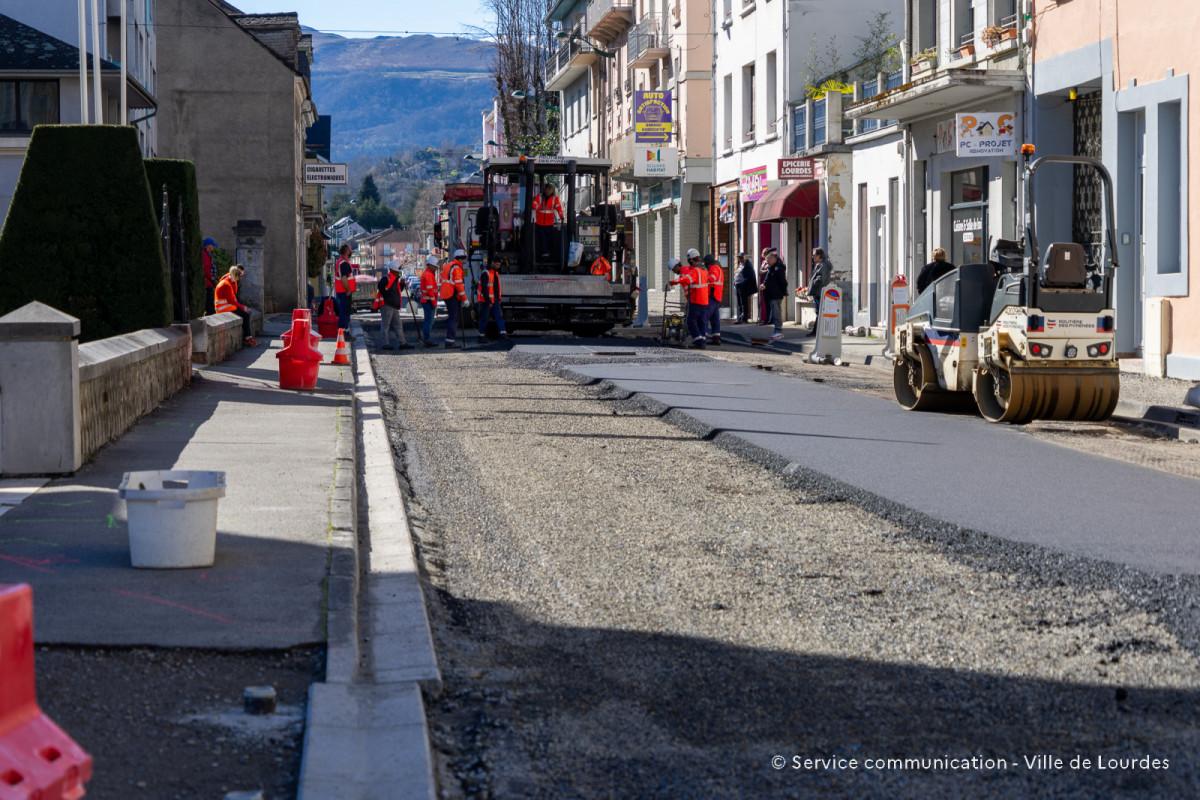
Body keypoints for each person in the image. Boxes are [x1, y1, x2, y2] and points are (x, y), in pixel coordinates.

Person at [668, 247, 709, 348]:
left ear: (691, 260)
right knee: (701, 321)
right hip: (704, 300)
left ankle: (699, 340)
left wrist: (675, 281)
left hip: (696, 299)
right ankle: (702, 340)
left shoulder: (695, 271)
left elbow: (688, 280)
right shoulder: (703, 270)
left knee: (690, 321)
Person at [214, 265, 258, 347]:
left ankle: (248, 336)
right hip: (224, 309)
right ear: (235, 276)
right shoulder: (226, 284)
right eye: (240, 277)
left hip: (228, 307)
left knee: (247, 314)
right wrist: (243, 307)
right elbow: (232, 301)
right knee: (246, 314)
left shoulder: (229, 282)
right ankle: (247, 337)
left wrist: (242, 307)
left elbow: (233, 300)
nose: (240, 279)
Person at [375, 260, 413, 350]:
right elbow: (380, 286)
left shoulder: (395, 280)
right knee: (385, 325)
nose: (399, 273)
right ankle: (385, 344)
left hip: (394, 307)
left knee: (398, 325)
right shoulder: (386, 279)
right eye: (398, 271)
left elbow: (398, 291)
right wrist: (387, 295)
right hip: (387, 306)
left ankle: (402, 343)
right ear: (393, 270)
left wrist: (402, 284)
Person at [440, 248, 467, 348]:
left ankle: (449, 340)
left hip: (447, 295)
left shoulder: (448, 266)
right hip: (452, 295)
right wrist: (465, 299)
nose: (465, 261)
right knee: (454, 318)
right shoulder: (457, 268)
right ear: (459, 259)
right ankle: (450, 342)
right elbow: (459, 285)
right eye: (464, 259)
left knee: (452, 317)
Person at [476, 256, 508, 341]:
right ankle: (481, 336)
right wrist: (489, 301)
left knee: (499, 317)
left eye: (499, 265)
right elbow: (484, 289)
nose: (499, 266)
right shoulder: (486, 273)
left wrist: (498, 299)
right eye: (497, 265)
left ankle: (503, 334)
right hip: (488, 301)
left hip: (494, 300)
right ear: (492, 263)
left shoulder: (494, 273)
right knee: (485, 318)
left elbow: (496, 288)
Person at [760, 248, 788, 341]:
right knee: (774, 313)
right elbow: (767, 279)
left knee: (776, 313)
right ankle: (776, 331)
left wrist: (784, 292)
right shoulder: (771, 268)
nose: (767, 262)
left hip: (776, 294)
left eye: (768, 260)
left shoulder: (778, 268)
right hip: (771, 294)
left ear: (773, 259)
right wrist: (763, 284)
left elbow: (783, 282)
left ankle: (779, 331)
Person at [532, 183, 564, 260]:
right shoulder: (539, 197)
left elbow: (558, 208)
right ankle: (544, 255)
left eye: (550, 189)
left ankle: (549, 253)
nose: (548, 191)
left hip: (549, 223)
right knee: (543, 239)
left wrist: (561, 216)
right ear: (544, 189)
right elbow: (533, 205)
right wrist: (541, 207)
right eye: (547, 189)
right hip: (540, 223)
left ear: (552, 190)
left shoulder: (554, 199)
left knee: (550, 239)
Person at [808, 247, 834, 323]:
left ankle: (817, 330)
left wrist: (812, 283)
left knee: (819, 311)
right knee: (818, 312)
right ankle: (816, 330)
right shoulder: (820, 264)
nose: (813, 257)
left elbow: (821, 279)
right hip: (817, 291)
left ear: (819, 256)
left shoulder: (823, 265)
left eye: (814, 255)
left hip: (819, 291)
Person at [334, 243, 356, 331]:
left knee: (344, 311)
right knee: (345, 311)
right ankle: (344, 332)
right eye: (350, 249)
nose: (351, 251)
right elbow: (344, 278)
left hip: (341, 290)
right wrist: (348, 290)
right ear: (347, 251)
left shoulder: (340, 261)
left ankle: (343, 332)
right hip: (345, 291)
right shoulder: (344, 263)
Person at [419, 254, 440, 346]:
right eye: (435, 266)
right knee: (429, 322)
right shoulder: (428, 275)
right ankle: (426, 340)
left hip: (428, 302)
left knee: (429, 321)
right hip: (429, 302)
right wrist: (434, 302)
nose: (436, 268)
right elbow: (430, 290)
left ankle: (426, 339)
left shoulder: (429, 274)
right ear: (430, 265)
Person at [704, 254, 724, 345]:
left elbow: (712, 278)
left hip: (713, 295)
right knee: (715, 318)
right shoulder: (717, 267)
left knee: (705, 316)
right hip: (716, 295)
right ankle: (716, 337)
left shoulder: (714, 268)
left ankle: (702, 337)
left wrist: (703, 274)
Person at [734, 252, 757, 324]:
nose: (740, 259)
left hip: (743, 286)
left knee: (743, 302)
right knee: (739, 303)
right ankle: (740, 317)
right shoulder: (739, 265)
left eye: (741, 257)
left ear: (745, 257)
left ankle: (744, 319)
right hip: (738, 285)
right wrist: (735, 282)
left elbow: (750, 277)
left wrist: (742, 283)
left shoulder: (747, 265)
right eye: (739, 257)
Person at [202, 237, 218, 316]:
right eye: (213, 245)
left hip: (208, 280)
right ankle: (207, 312)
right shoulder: (205, 254)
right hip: (208, 280)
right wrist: (211, 277)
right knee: (208, 296)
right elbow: (206, 267)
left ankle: (208, 311)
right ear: (208, 245)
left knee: (210, 295)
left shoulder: (206, 253)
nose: (214, 247)